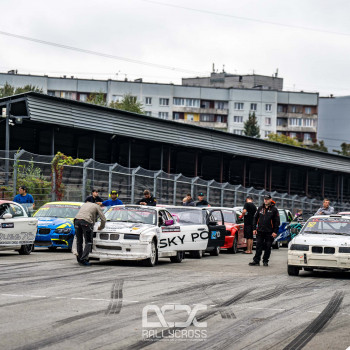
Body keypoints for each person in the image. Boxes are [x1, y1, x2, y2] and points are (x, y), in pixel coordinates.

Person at [249, 194, 280, 267]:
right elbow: (255, 218)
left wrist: (275, 231)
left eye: (267, 199)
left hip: (269, 232)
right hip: (260, 231)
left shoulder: (274, 209)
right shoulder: (260, 208)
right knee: (258, 246)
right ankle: (256, 261)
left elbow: (277, 221)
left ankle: (265, 261)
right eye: (265, 199)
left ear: (270, 200)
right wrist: (254, 228)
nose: (266, 200)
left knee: (268, 246)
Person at [74, 202, 106, 266]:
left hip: (76, 221)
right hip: (86, 222)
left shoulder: (85, 204)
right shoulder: (97, 206)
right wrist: (101, 227)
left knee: (79, 241)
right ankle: (84, 259)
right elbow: (103, 219)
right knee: (88, 242)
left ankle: (80, 258)